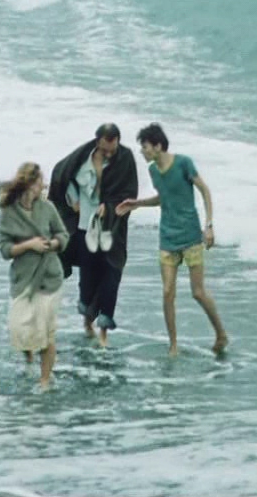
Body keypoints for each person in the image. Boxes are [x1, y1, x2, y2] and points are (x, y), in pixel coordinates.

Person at [116, 122, 228, 357]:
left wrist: (209, 226)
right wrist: (137, 204)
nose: (142, 151)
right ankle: (173, 344)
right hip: (167, 237)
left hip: (190, 236)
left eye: (145, 147)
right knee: (167, 291)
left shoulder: (183, 163)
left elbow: (204, 190)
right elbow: (163, 198)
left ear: (157, 146)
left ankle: (220, 334)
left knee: (198, 292)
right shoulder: (153, 171)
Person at [48, 123, 138, 348]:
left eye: (113, 148)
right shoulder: (83, 155)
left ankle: (104, 331)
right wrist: (72, 199)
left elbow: (129, 192)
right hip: (83, 226)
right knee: (88, 277)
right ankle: (87, 323)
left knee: (111, 275)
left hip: (111, 229)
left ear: (118, 141)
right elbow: (62, 174)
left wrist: (108, 206)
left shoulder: (125, 158)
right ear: (98, 141)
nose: (109, 153)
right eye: (105, 148)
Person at [0, 162, 69, 390]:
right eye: (39, 182)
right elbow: (5, 250)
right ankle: (29, 358)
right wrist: (29, 245)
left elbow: (63, 234)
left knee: (47, 333)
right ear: (29, 183)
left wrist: (54, 243)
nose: (42, 186)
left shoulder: (47, 207)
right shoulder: (9, 212)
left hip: (50, 277)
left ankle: (44, 380)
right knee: (20, 329)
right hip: (24, 278)